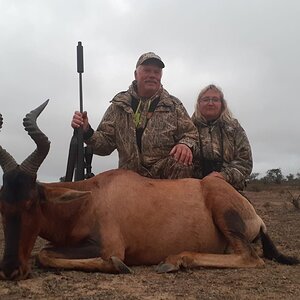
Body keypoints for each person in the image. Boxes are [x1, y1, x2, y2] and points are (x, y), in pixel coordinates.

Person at [71, 52, 198, 179]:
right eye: (147, 70)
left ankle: (175, 198)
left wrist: (185, 145)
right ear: (135, 74)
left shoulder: (174, 105)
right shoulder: (119, 106)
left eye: (156, 72)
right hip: (129, 178)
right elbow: (105, 145)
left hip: (164, 178)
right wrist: (87, 131)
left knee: (182, 163)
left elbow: (191, 134)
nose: (152, 75)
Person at [192, 84, 252, 190]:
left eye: (215, 100)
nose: (210, 103)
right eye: (206, 99)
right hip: (195, 189)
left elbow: (245, 162)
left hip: (229, 188)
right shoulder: (188, 127)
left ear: (222, 104)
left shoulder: (234, 128)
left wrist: (223, 176)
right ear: (199, 103)